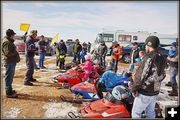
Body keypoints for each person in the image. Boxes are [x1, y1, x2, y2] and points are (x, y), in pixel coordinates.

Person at [131, 36, 167, 118]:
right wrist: (156, 83)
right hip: (155, 92)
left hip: (145, 91)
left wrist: (134, 88)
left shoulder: (148, 57)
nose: (145, 47)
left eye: (146, 45)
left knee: (136, 113)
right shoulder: (162, 57)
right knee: (150, 113)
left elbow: (140, 76)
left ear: (149, 45)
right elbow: (163, 74)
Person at [2, 29, 20, 98]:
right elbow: (7, 53)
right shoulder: (7, 42)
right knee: (9, 77)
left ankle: (9, 90)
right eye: (13, 35)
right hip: (9, 62)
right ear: (10, 35)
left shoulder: (8, 41)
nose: (14, 36)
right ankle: (8, 93)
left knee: (10, 77)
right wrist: (16, 51)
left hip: (11, 61)